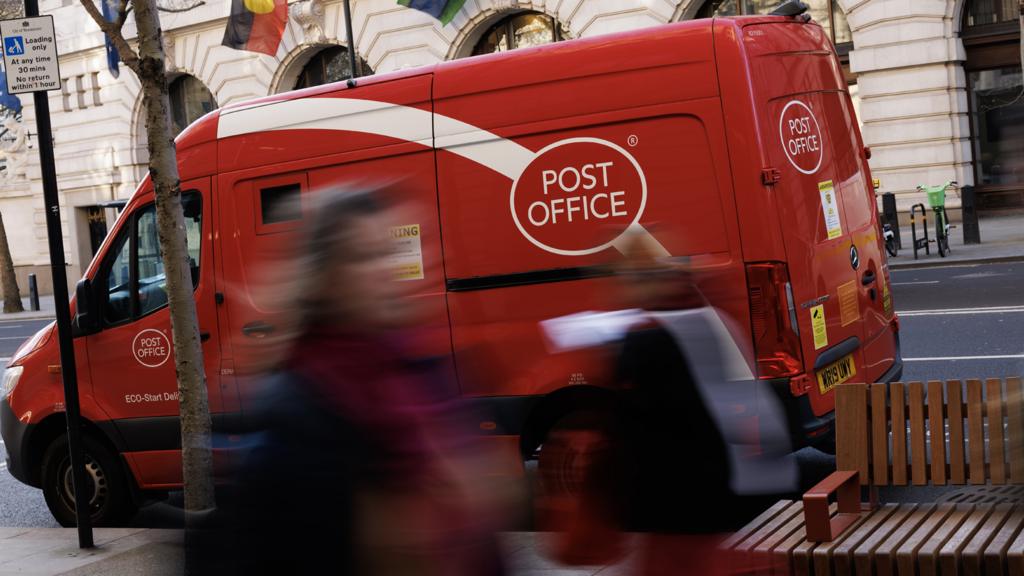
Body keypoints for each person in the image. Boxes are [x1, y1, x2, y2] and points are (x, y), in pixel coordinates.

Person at [205, 187, 506, 576]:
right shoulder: (300, 411)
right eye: (365, 257)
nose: (387, 270)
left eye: (387, 253)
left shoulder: (421, 368)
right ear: (324, 279)